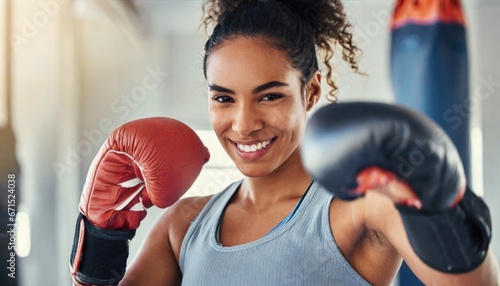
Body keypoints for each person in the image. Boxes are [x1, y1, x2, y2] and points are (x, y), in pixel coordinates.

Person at [70, 0, 499, 285]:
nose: (244, 124)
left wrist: (440, 200)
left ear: (311, 92)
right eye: (223, 98)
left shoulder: (357, 207)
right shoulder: (183, 225)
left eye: (270, 95)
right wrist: (98, 244)